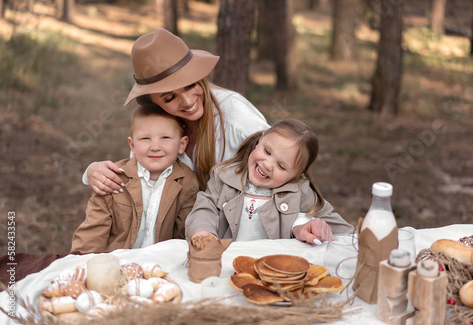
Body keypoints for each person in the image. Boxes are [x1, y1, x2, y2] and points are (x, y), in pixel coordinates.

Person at [83, 28, 269, 194]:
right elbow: (138, 178)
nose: (188, 102)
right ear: (152, 101)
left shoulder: (237, 118)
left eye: (190, 85)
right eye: (169, 98)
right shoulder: (155, 124)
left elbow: (288, 165)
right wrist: (93, 171)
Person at [186, 119, 354, 245]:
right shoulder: (224, 177)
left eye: (281, 166)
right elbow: (205, 207)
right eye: (267, 151)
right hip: (226, 262)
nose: (267, 164)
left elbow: (342, 231)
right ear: (261, 139)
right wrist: (203, 232)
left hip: (273, 271)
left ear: (297, 175)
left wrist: (320, 228)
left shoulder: (301, 192)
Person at [72, 105, 199, 253]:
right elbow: (93, 232)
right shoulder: (113, 177)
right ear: (132, 145)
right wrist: (85, 263)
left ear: (181, 145)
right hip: (115, 262)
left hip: (161, 264)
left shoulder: (188, 183)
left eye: (165, 138)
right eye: (145, 138)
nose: (155, 146)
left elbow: (183, 236)